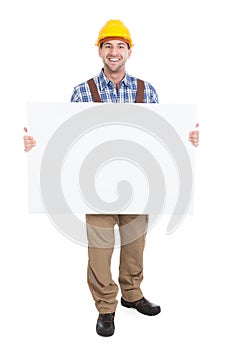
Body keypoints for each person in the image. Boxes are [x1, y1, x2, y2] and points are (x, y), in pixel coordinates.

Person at [24, 19, 199, 337]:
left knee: (135, 245)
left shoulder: (147, 90)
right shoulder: (83, 91)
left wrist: (188, 138)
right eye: (108, 45)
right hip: (96, 186)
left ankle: (132, 295)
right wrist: (37, 142)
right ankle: (106, 307)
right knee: (99, 250)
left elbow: (161, 135)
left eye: (120, 46)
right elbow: (66, 135)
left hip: (139, 184)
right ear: (100, 51)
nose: (114, 51)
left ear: (129, 52)